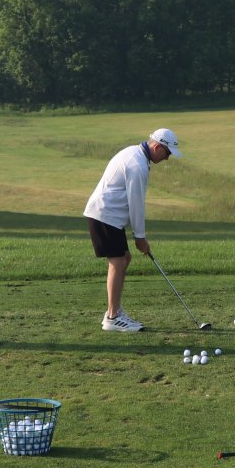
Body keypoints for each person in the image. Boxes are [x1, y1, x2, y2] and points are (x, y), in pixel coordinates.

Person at [84, 128, 181, 332]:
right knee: (118, 261)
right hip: (105, 215)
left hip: (108, 215)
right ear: (157, 147)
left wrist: (139, 237)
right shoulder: (138, 165)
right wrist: (140, 238)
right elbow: (136, 205)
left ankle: (114, 311)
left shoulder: (134, 153)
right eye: (167, 153)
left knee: (124, 258)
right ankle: (112, 317)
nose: (167, 158)